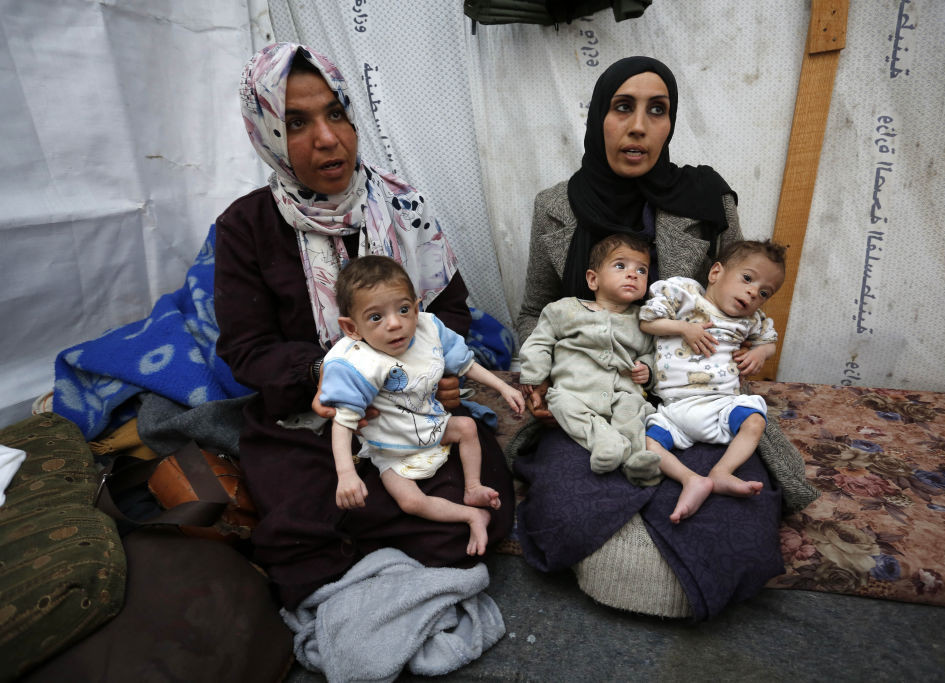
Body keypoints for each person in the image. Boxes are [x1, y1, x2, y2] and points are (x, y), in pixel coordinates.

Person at [511, 56, 815, 621]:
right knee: (574, 504)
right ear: (598, 118)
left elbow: (738, 293)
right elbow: (534, 310)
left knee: (736, 512)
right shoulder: (555, 207)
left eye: (657, 110)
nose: (638, 126)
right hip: (592, 391)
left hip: (690, 391)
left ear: (671, 124)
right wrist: (543, 379)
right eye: (622, 107)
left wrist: (750, 350)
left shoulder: (707, 200)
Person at [214, 42, 515, 609]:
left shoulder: (404, 206)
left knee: (481, 512)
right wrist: (322, 375)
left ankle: (364, 547)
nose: (327, 138)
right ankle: (369, 541)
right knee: (298, 534)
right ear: (266, 133)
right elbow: (246, 349)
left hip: (411, 412)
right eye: (296, 123)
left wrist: (439, 373)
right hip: (311, 421)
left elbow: (449, 309)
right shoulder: (245, 227)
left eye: (335, 113)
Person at [319, 256, 524, 556]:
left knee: (467, 427)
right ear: (352, 328)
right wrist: (346, 474)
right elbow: (343, 421)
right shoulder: (356, 363)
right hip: (391, 446)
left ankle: (473, 488)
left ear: (416, 308)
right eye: (375, 317)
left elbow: (465, 365)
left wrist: (504, 387)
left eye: (403, 310)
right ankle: (470, 515)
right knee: (410, 502)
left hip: (432, 423)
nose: (395, 324)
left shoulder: (428, 329)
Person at [640, 240, 786, 522]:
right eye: (748, 278)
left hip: (721, 405)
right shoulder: (684, 295)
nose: (753, 292)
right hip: (674, 409)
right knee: (647, 443)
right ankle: (691, 479)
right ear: (716, 272)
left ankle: (722, 472)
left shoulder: (750, 321)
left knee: (755, 420)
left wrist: (760, 353)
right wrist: (684, 328)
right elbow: (647, 321)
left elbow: (769, 342)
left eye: (764, 292)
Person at [518, 233, 660, 484]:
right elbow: (539, 341)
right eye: (620, 266)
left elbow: (656, 354)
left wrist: (647, 369)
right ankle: (604, 441)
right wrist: (534, 374)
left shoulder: (645, 322)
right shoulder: (564, 310)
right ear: (593, 279)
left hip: (621, 392)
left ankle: (637, 458)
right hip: (575, 391)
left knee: (633, 412)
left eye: (642, 270)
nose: (632, 274)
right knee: (560, 403)